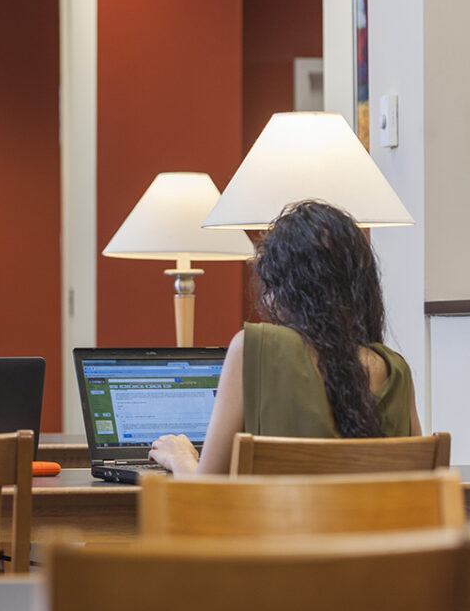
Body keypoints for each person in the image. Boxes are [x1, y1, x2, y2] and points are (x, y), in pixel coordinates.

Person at [149, 200, 422, 476]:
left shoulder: (254, 348)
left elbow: (207, 496)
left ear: (283, 286)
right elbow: (419, 484)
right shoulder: (395, 369)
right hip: (377, 520)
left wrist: (180, 457)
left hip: (278, 520)